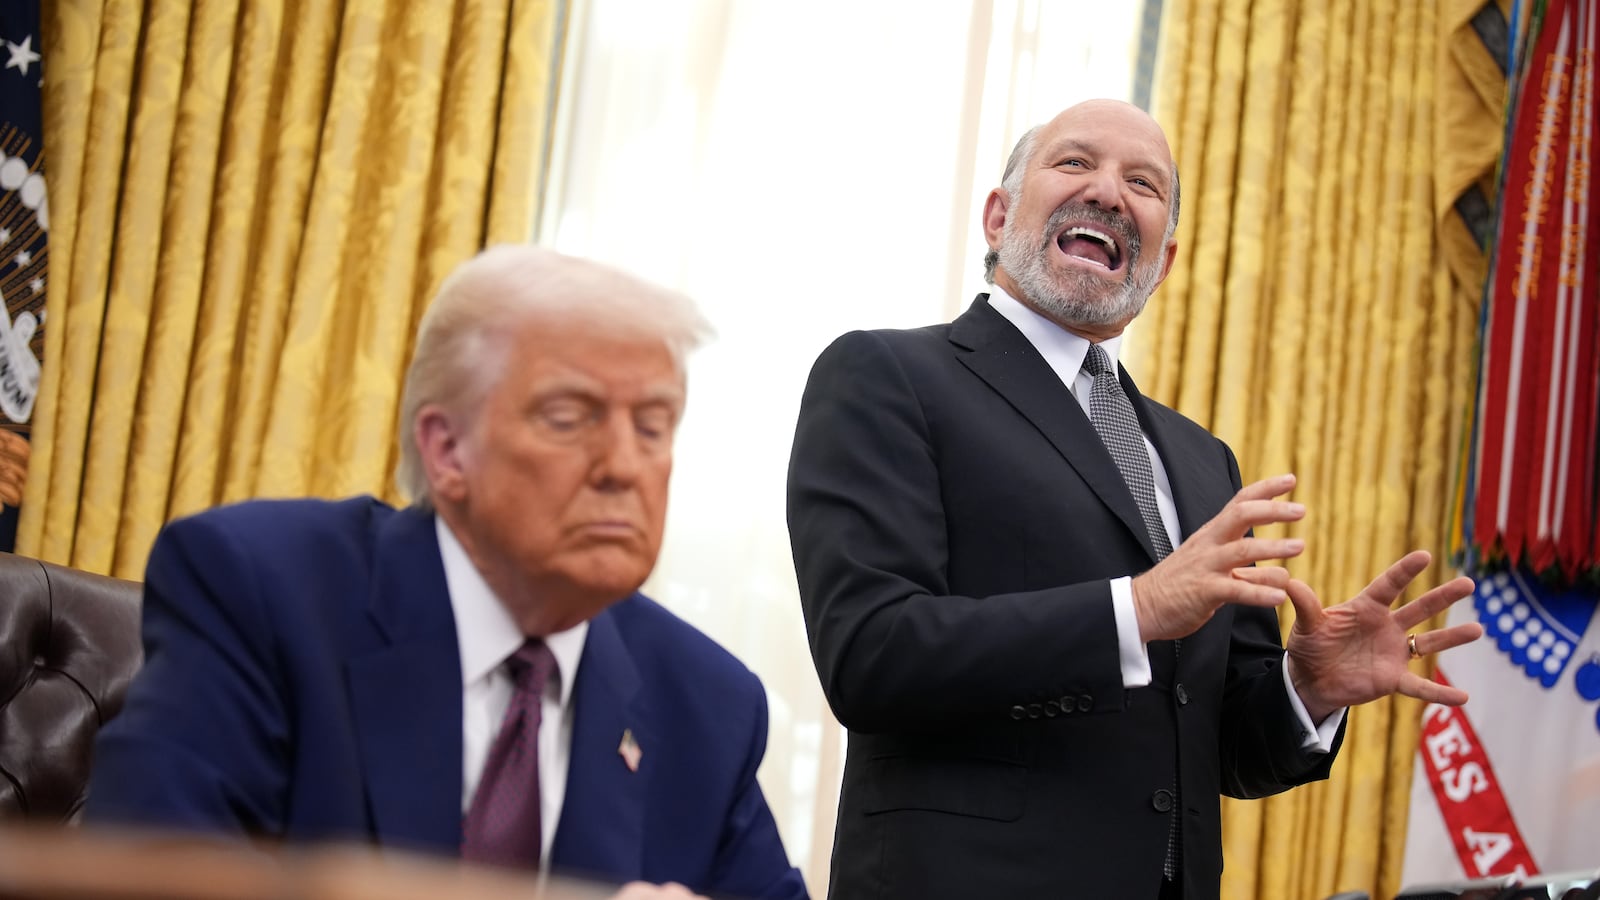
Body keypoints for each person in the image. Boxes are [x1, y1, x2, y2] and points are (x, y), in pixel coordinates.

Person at [785, 99, 1484, 900]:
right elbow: (870, 654)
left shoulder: (1202, 460)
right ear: (998, 215)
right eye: (1075, 163)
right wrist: (1135, 610)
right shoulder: (888, 377)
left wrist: (1306, 689)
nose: (1111, 194)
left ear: (1165, 260)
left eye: (1144, 183)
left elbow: (1220, 753)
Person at [88, 245, 808, 900]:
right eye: (569, 417)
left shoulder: (708, 705)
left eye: (654, 427)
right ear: (447, 449)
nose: (624, 465)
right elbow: (145, 878)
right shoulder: (261, 589)